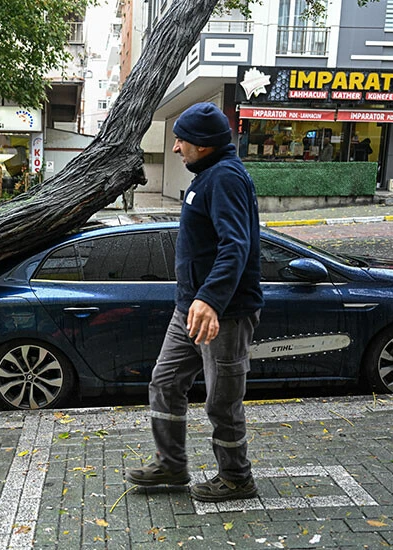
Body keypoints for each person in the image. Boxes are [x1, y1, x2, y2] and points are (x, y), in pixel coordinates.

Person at [124, 102, 264, 503]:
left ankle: (237, 477)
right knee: (165, 382)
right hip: (191, 308)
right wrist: (195, 300)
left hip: (223, 314)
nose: (174, 149)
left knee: (222, 400)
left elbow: (235, 246)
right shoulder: (208, 175)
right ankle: (171, 464)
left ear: (202, 145)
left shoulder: (225, 179)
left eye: (180, 140)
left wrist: (211, 300)